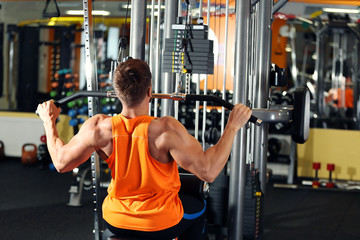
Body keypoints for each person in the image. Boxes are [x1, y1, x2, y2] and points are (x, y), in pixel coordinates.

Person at [36, 59, 252, 240]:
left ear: (116, 92)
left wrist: (49, 121)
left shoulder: (99, 128)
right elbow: (209, 171)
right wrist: (232, 126)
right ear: (150, 91)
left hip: (116, 220)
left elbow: (61, 162)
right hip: (159, 223)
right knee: (198, 207)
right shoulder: (166, 130)